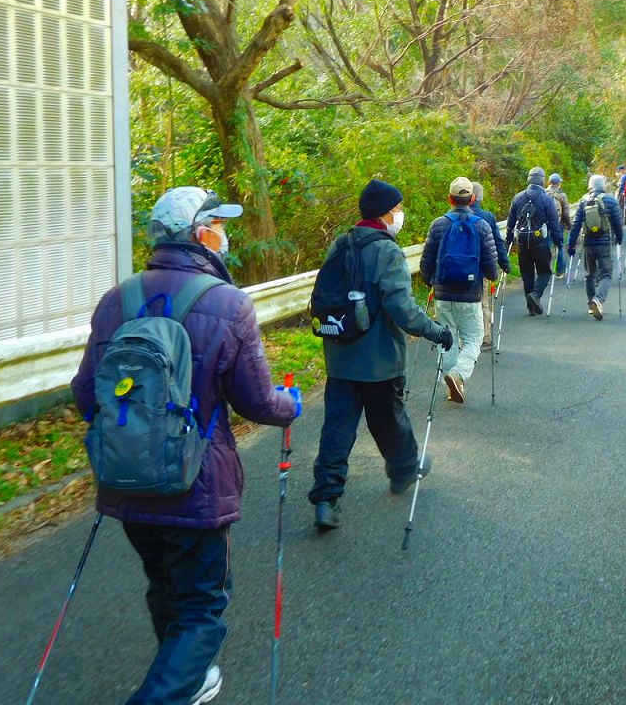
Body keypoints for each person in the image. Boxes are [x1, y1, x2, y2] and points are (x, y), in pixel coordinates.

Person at [71, 185, 301, 705]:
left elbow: (87, 393)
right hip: (195, 484)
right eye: (220, 224)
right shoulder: (227, 304)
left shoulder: (117, 300)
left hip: (125, 480)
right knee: (202, 608)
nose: (226, 234)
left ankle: (187, 679)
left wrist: (134, 438)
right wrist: (292, 405)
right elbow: (259, 403)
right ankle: (168, 689)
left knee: (164, 586)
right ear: (200, 234)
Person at [308, 179, 452, 531]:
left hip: (340, 355)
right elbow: (402, 309)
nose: (400, 214)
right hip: (379, 360)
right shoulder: (387, 251)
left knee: (337, 428)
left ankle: (326, 500)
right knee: (389, 419)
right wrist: (436, 331)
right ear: (385, 213)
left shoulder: (340, 244)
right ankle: (404, 470)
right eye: (398, 208)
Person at [420, 177, 500, 403]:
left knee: (447, 338)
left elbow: (426, 260)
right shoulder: (482, 226)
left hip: (443, 293)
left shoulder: (438, 224)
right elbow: (490, 265)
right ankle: (458, 375)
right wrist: (493, 276)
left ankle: (450, 380)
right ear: (472, 199)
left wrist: (428, 281)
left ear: (450, 198)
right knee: (474, 339)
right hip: (470, 294)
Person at [505, 167, 563, 315]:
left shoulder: (517, 197)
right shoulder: (547, 199)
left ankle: (531, 308)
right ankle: (535, 295)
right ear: (542, 180)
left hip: (523, 243)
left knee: (527, 275)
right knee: (544, 272)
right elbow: (554, 223)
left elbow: (511, 222)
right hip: (540, 242)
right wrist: (558, 241)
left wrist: (508, 239)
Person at [567, 174, 624, 320]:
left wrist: (571, 244)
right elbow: (618, 222)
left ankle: (591, 305)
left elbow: (576, 224)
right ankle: (598, 300)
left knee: (589, 275)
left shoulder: (583, 200)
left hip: (588, 244)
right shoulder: (610, 200)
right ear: (603, 185)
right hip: (604, 243)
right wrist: (619, 238)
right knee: (605, 274)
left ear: (590, 186)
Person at [470, 181, 509, 350]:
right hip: (481, 268)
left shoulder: (452, 215)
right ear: (480, 196)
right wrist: (504, 263)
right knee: (483, 302)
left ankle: (465, 338)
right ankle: (485, 336)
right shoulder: (487, 217)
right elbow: (497, 243)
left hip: (457, 269)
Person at [546, 172, 572, 278]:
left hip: (545, 225)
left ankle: (545, 271)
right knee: (560, 246)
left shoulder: (543, 193)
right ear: (559, 183)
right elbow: (565, 213)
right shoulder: (562, 195)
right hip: (558, 225)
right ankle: (560, 271)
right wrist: (568, 225)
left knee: (546, 247)